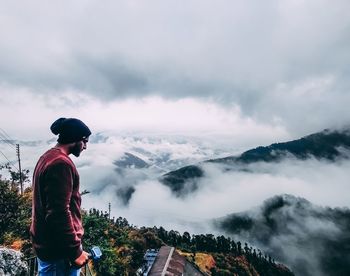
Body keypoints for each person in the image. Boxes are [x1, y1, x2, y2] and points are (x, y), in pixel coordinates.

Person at [30, 118, 92, 276]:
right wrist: (75, 251)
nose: (85, 146)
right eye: (84, 141)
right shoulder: (61, 164)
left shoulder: (47, 157)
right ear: (75, 139)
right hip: (59, 252)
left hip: (50, 246)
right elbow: (58, 213)